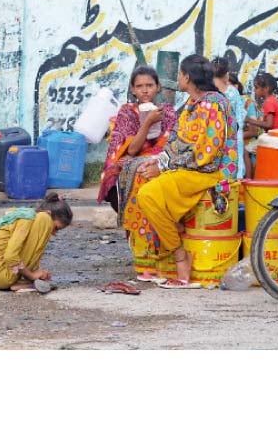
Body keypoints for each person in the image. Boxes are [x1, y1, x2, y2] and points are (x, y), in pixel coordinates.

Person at [133, 55, 238, 288]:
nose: (178, 78)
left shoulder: (213, 105)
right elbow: (175, 142)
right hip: (190, 170)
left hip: (211, 172)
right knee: (142, 182)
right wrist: (158, 163)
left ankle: (180, 257)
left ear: (187, 77)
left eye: (180, 74)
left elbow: (206, 155)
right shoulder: (191, 105)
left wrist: (165, 168)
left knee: (149, 195)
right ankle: (168, 239)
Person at [97, 66, 177, 215]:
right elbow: (132, 150)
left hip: (158, 161)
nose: (145, 91)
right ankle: (134, 228)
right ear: (133, 90)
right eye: (139, 86)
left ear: (158, 87)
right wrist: (148, 122)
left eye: (149, 85)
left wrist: (147, 158)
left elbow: (170, 145)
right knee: (120, 172)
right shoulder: (127, 112)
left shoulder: (167, 111)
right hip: (132, 162)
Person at [0, 192, 72, 292]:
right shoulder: (38, 219)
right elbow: (10, 256)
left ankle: (22, 282)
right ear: (48, 213)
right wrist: (32, 275)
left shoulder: (29, 218)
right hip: (1, 276)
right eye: (56, 228)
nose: (54, 233)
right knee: (44, 219)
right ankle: (25, 280)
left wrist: (38, 272)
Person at [212, 57, 246, 179]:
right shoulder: (233, 92)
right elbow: (240, 118)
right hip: (232, 139)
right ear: (226, 75)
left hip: (214, 140)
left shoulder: (207, 92)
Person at [229, 72, 261, 177]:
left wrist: (232, 139)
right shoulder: (223, 103)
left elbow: (253, 131)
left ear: (236, 86)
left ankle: (247, 181)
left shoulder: (247, 104)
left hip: (248, 142)